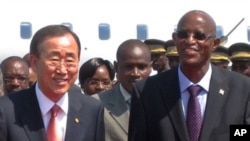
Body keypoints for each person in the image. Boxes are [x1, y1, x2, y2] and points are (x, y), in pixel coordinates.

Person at [128, 10, 250, 141]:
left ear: (215, 43)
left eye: (199, 36)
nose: (190, 41)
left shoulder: (242, 89)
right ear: (175, 39)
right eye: (183, 35)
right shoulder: (147, 92)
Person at [0, 25, 104, 141]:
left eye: (70, 61)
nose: (62, 70)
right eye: (54, 60)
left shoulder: (92, 109)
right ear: (34, 62)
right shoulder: (5, 110)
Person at [93, 39, 152, 141]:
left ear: (150, 67)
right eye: (129, 67)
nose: (135, 73)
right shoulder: (96, 105)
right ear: (116, 67)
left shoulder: (165, 103)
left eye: (142, 67)